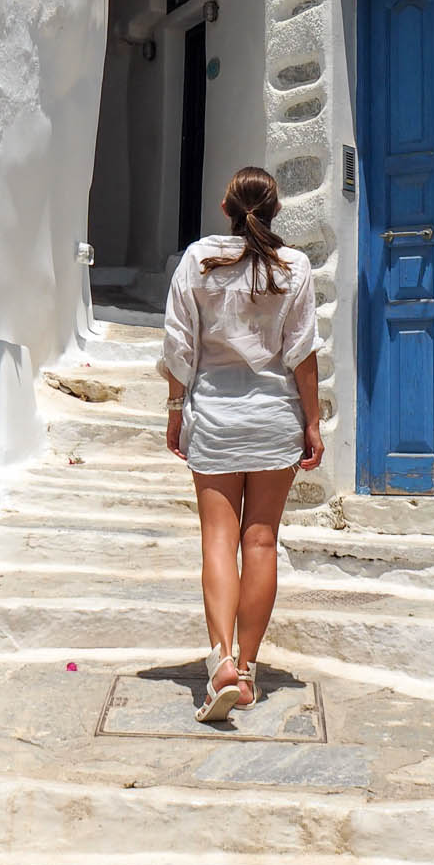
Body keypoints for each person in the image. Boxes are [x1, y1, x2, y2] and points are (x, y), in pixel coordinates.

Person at [160, 166, 324, 722]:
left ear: (227, 208)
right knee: (261, 543)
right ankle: (248, 672)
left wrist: (175, 411)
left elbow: (179, 345)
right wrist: (312, 423)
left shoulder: (198, 260)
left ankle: (221, 660)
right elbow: (302, 352)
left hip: (215, 418)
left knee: (217, 542)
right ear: (275, 210)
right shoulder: (293, 267)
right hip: (274, 418)